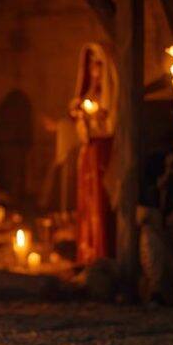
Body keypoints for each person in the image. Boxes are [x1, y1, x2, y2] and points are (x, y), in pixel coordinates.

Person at [68, 42, 118, 266]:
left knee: (100, 202)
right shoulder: (89, 92)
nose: (93, 71)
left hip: (102, 152)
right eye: (90, 66)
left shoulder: (108, 94)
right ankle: (88, 253)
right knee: (87, 203)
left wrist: (95, 117)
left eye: (98, 65)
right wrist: (79, 113)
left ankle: (102, 254)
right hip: (88, 152)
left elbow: (109, 122)